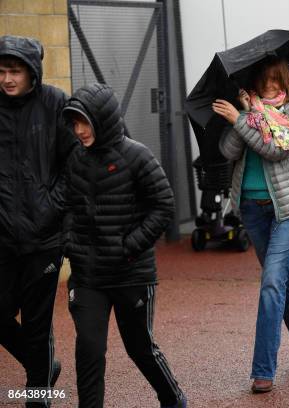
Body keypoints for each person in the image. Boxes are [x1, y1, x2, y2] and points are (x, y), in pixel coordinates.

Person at [62, 83, 186, 408]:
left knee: (139, 348)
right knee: (88, 349)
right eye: (74, 123)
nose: (79, 130)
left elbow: (164, 205)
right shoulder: (75, 158)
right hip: (88, 276)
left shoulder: (137, 155)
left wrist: (129, 247)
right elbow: (64, 207)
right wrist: (68, 244)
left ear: (102, 119)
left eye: (84, 122)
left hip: (132, 275)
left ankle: (172, 398)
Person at [215, 57, 289, 393]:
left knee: (272, 282)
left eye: (276, 80)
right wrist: (243, 116)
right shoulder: (249, 110)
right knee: (281, 278)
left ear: (285, 80)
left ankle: (263, 370)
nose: (271, 87)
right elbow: (228, 151)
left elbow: (278, 149)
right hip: (252, 208)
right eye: (265, 81)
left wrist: (244, 120)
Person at [0, 35, 76, 407]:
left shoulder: (55, 104)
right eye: (1, 71)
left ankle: (38, 395)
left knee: (36, 324)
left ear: (32, 72)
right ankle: (43, 367)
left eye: (14, 71)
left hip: (44, 237)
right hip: (1, 237)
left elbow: (73, 164)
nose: (7, 79)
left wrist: (51, 207)